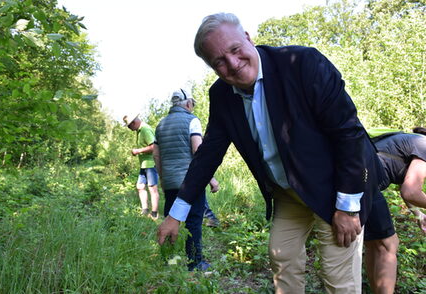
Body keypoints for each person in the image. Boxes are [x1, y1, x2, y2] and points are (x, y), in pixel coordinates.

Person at [157, 12, 394, 293]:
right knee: (281, 256)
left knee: (337, 274)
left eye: (235, 49)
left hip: (335, 186)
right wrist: (176, 213)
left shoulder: (303, 64)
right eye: (218, 61)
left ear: (248, 38)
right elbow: (208, 154)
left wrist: (347, 206)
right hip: (288, 192)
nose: (232, 63)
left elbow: (348, 133)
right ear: (211, 66)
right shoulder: (221, 94)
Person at [153, 89, 220, 271]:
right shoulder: (192, 120)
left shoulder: (160, 125)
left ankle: (171, 262)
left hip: (169, 182)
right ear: (188, 103)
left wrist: (162, 177)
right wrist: (210, 178)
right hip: (190, 183)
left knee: (170, 220)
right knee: (194, 222)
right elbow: (198, 150)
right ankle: (195, 263)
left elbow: (156, 155)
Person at [364, 127, 426, 293]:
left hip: (358, 177)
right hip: (367, 181)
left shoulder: (413, 140)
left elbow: (405, 185)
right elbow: (411, 192)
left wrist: (419, 215)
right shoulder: (424, 145)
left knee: (374, 244)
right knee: (389, 244)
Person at [123, 114, 160, 219]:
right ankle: (145, 210)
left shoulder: (145, 130)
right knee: (140, 186)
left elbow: (154, 146)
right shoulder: (139, 130)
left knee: (152, 188)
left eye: (129, 126)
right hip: (144, 165)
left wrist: (138, 151)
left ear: (133, 123)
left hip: (151, 164)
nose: (130, 129)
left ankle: (154, 213)